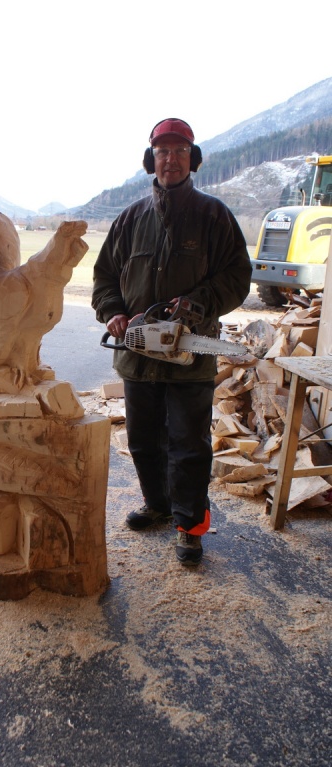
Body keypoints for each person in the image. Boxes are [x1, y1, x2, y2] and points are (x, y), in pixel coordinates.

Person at [92, 117, 252, 565]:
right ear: (152, 160)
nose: (171, 159)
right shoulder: (130, 219)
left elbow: (237, 276)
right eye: (163, 151)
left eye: (180, 150)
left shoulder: (213, 215)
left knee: (188, 445)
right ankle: (158, 504)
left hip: (190, 354)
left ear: (192, 159)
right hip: (138, 357)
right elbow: (105, 277)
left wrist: (197, 303)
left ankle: (190, 525)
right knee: (143, 441)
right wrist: (114, 312)